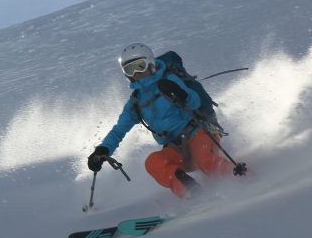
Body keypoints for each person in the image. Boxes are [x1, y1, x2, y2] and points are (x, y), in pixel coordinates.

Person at [87, 43, 235, 198]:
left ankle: (240, 178)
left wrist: (180, 94)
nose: (136, 73)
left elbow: (195, 103)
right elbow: (119, 129)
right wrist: (102, 150)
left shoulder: (169, 81)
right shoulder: (136, 101)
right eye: (130, 69)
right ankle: (193, 194)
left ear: (150, 63)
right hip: (176, 148)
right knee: (153, 162)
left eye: (140, 66)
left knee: (205, 161)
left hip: (200, 132)